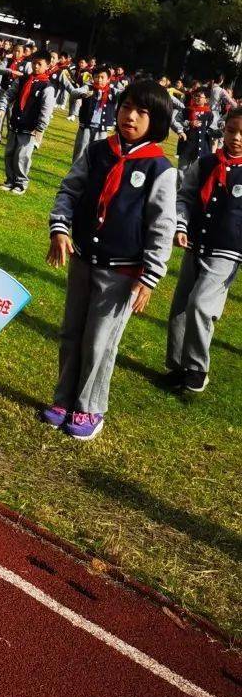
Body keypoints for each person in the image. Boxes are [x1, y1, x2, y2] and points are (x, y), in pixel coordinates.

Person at [42, 79, 177, 439]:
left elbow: (162, 227)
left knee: (100, 340)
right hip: (84, 259)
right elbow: (70, 190)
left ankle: (90, 407)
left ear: (158, 121)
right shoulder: (99, 151)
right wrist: (60, 227)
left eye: (141, 112)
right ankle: (63, 397)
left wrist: (149, 277)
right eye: (125, 106)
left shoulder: (159, 169)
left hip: (122, 272)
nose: (129, 116)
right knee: (72, 332)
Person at [167, 105, 242, 394]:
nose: (235, 138)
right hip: (195, 243)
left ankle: (197, 367)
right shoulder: (206, 163)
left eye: (241, 133)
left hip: (227, 251)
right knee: (180, 308)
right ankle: (177, 366)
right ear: (223, 130)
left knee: (200, 304)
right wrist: (181, 225)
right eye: (231, 131)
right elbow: (184, 197)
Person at [1, 52, 55, 194]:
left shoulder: (47, 87)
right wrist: (2, 107)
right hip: (15, 123)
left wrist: (40, 128)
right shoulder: (22, 80)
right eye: (34, 63)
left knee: (22, 156)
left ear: (47, 66)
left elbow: (46, 110)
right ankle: (10, 180)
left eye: (40, 64)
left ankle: (21, 183)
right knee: (9, 153)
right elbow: (9, 94)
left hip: (30, 128)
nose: (36, 66)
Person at [66, 65, 121, 162]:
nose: (99, 79)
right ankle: (77, 174)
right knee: (80, 154)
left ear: (108, 79)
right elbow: (75, 92)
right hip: (86, 127)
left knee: (98, 155)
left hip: (101, 129)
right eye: (96, 77)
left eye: (102, 77)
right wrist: (82, 94)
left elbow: (124, 94)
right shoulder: (88, 88)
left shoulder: (113, 92)